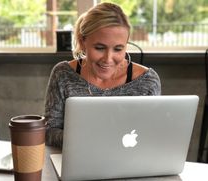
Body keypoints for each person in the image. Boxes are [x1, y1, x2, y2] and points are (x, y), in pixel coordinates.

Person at [44, 2, 161, 148]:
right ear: (82, 41)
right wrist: (94, 141)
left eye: (118, 49)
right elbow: (49, 132)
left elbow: (150, 135)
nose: (108, 59)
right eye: (99, 48)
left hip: (129, 165)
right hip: (78, 162)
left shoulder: (147, 81)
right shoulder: (63, 74)